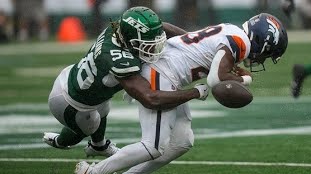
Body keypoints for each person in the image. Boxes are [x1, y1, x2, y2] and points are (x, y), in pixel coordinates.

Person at [74, 13, 288, 174]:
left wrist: (233, 72)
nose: (263, 59)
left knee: (182, 141)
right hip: (162, 71)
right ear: (263, 42)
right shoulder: (242, 43)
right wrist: (245, 80)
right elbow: (215, 80)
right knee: (153, 145)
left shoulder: (232, 30)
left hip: (168, 71)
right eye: (268, 53)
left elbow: (201, 50)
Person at [43, 6, 209, 158]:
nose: (154, 48)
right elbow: (151, 98)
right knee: (91, 123)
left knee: (102, 106)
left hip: (77, 80)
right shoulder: (118, 58)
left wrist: (197, 44)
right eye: (147, 45)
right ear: (131, 41)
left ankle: (98, 146)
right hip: (70, 104)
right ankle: (60, 141)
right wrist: (195, 92)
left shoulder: (121, 29)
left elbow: (162, 27)